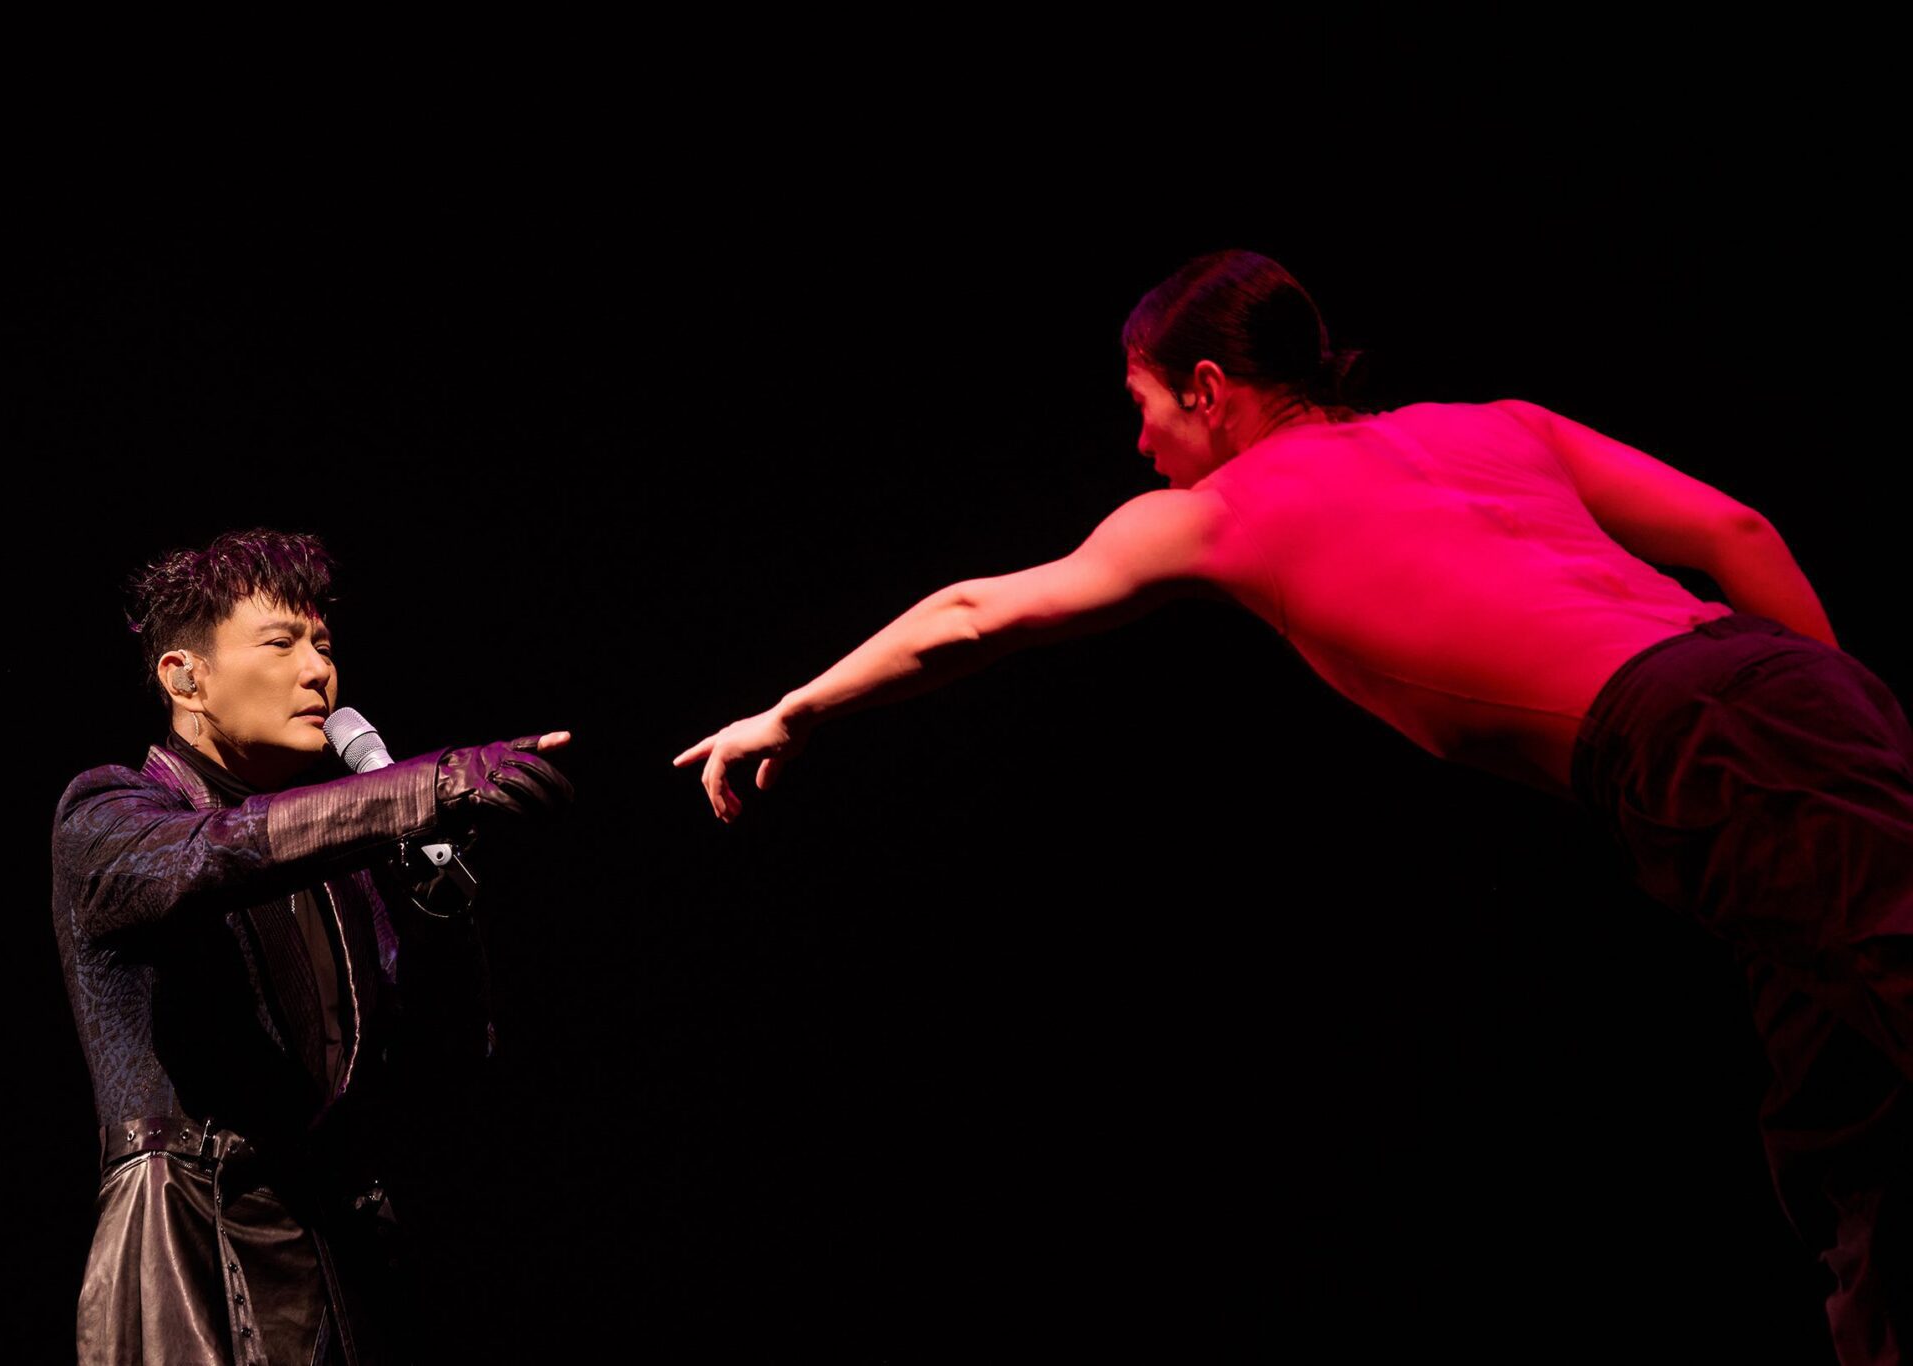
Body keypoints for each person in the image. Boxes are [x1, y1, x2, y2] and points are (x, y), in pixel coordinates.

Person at [674, 250, 1910, 1362]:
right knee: (1852, 1138)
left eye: (1144, 406)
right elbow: (1734, 529)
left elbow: (971, 612)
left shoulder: (1219, 512)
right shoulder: (1496, 427)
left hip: (1704, 740)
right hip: (1776, 697)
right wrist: (1838, 717)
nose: (1140, 444)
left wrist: (793, 708)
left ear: (1206, 388)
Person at [52, 528, 573, 1366]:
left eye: (323, 645)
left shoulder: (344, 869)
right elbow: (207, 857)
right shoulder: (107, 812)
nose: (316, 670)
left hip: (338, 1266)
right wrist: (421, 786)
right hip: (190, 1256)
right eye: (280, 643)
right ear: (185, 677)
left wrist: (438, 908)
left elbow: (437, 1070)